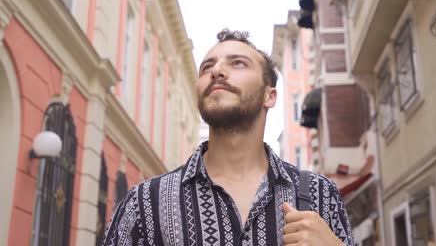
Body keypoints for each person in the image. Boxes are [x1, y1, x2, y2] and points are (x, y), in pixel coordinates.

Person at [103, 29, 354, 246]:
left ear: (270, 96)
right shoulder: (145, 202)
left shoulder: (319, 193)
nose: (217, 71)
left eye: (238, 63)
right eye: (207, 67)